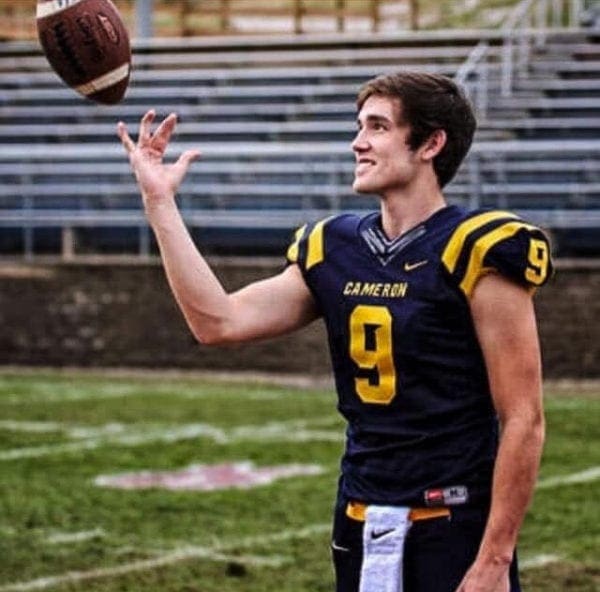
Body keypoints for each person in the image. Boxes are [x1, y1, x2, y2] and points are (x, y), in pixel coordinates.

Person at [117, 71, 553, 592]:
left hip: (451, 520)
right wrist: (159, 204)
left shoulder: (477, 248)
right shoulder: (334, 246)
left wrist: (494, 559)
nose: (357, 141)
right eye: (358, 125)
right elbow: (218, 322)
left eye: (377, 126)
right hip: (359, 516)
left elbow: (523, 418)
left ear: (431, 143)